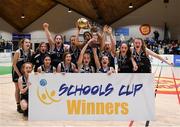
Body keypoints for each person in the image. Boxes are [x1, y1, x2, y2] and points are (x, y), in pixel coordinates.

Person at [12, 38, 33, 113]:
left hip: (26, 73)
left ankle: (26, 102)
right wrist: (20, 75)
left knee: (28, 86)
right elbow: (14, 65)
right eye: (26, 42)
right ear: (22, 44)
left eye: (29, 42)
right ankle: (18, 105)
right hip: (17, 72)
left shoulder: (31, 52)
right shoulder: (18, 52)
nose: (28, 44)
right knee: (18, 88)